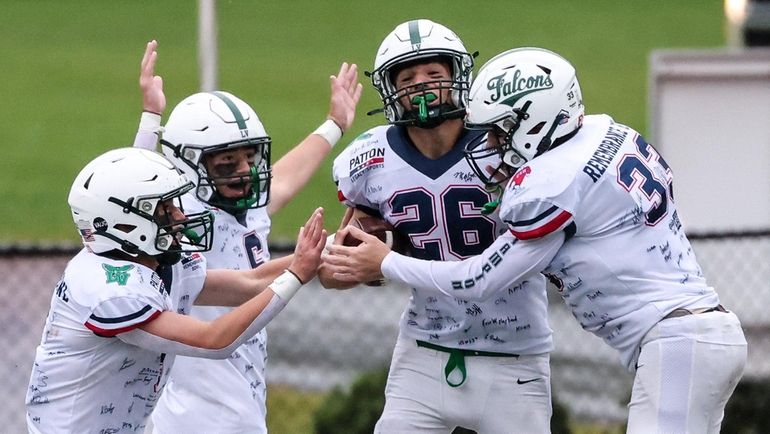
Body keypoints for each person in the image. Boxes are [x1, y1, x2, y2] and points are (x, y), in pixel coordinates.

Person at [326, 47, 749, 434]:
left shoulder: (552, 182)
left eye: (500, 130)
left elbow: (479, 280)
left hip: (676, 340)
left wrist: (384, 262)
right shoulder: (604, 132)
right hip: (701, 330)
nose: (491, 144)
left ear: (535, 118)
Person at [320, 20, 553, 433]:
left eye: (433, 74)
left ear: (457, 77)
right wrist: (363, 267)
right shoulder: (370, 160)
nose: (421, 86)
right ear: (392, 91)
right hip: (424, 352)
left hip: (514, 354)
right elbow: (333, 273)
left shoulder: (505, 144)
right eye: (407, 78)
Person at [132, 41, 362, 433]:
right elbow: (129, 191)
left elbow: (284, 178)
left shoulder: (239, 202)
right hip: (203, 404)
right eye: (227, 164)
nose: (246, 173)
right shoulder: (178, 220)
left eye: (249, 160)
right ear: (186, 165)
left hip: (239, 391)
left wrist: (333, 124)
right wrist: (150, 120)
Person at [25, 147, 325, 433]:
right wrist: (296, 275)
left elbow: (250, 282)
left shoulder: (153, 263)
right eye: (164, 209)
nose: (179, 217)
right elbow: (214, 341)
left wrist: (324, 252)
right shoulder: (109, 288)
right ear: (125, 223)